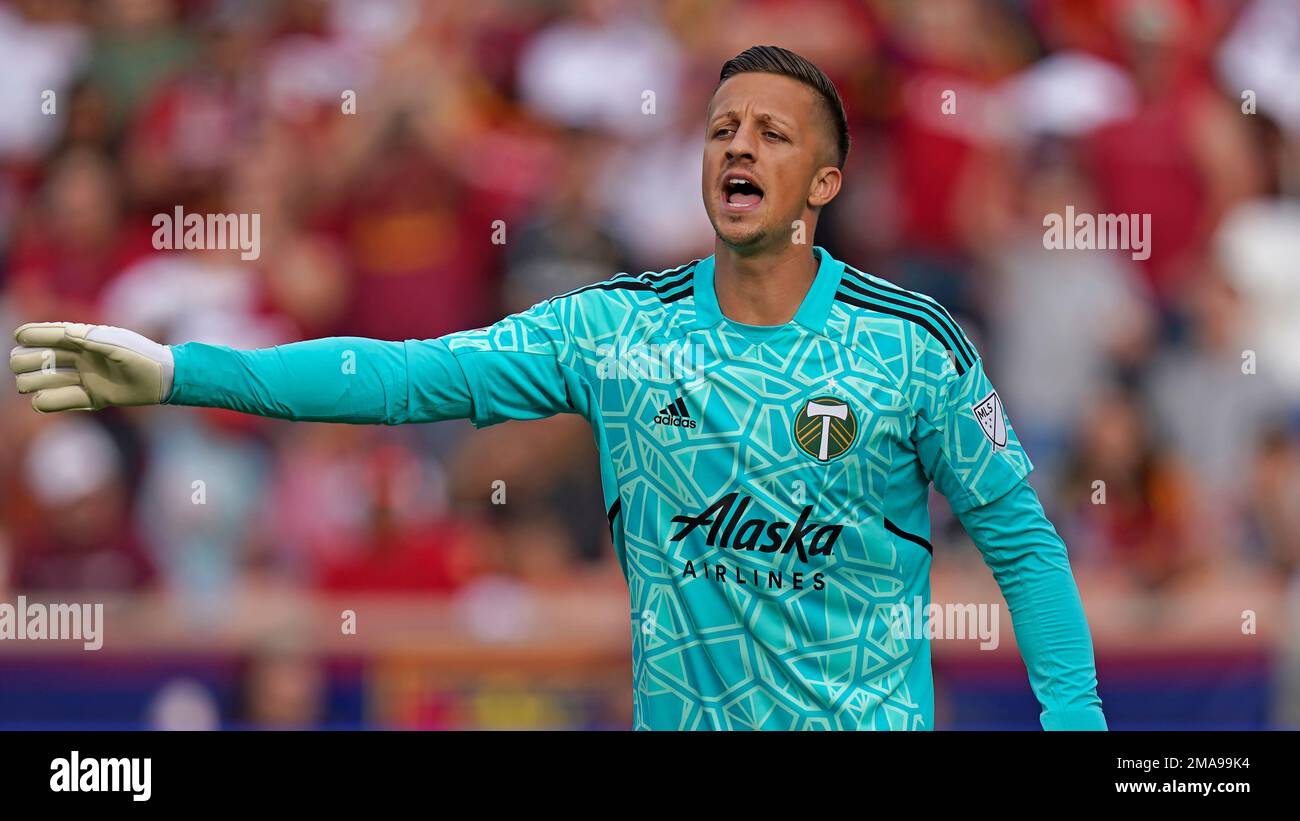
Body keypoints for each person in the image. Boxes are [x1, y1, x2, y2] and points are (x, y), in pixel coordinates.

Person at [9, 45, 1105, 731]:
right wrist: (176, 370)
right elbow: (401, 377)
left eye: (771, 133)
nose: (738, 145)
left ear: (824, 180)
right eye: (721, 127)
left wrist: (1075, 715)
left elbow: (1021, 539)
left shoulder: (909, 343)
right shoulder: (617, 329)